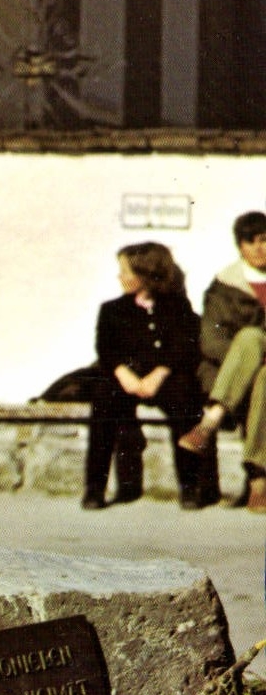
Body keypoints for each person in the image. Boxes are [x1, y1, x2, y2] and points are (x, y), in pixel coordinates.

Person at [81, 241, 216, 512]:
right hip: (126, 378)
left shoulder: (177, 307)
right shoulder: (113, 310)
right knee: (104, 400)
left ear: (146, 275)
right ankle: (95, 488)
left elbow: (185, 345)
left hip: (164, 378)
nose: (120, 277)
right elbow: (106, 349)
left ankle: (190, 486)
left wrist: (160, 373)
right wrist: (124, 374)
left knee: (185, 401)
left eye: (126, 271)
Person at [177, 210, 266, 510]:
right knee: (250, 340)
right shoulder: (224, 286)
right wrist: (248, 366)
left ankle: (209, 422)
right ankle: (259, 484)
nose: (258, 248)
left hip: (250, 374)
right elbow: (211, 341)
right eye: (250, 242)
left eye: (265, 240)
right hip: (229, 371)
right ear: (240, 246)